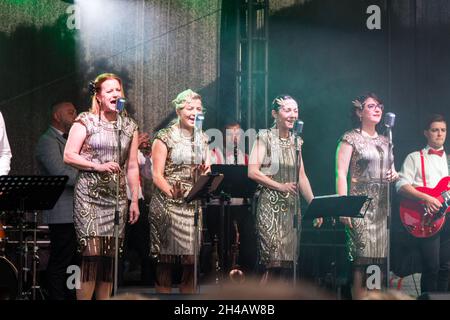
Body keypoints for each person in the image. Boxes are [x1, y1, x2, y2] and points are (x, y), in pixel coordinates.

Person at [64, 73, 140, 300]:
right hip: (89, 197)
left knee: (109, 261)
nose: (115, 94)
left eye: (118, 90)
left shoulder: (128, 126)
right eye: (109, 91)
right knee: (91, 257)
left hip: (116, 199)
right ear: (98, 96)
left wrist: (134, 199)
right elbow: (69, 155)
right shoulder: (85, 121)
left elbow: (133, 166)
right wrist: (97, 166)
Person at [248, 94, 322, 283]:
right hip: (269, 207)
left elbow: (301, 176)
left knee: (287, 265)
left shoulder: (296, 141)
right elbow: (253, 172)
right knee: (271, 261)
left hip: (290, 209)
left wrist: (314, 206)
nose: (292, 114)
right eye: (287, 110)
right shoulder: (264, 136)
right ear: (275, 114)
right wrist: (280, 186)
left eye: (295, 110)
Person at [336, 93, 398, 299]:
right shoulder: (350, 138)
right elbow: (340, 174)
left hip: (381, 210)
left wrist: (395, 174)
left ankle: (374, 298)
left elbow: (392, 170)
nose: (377, 109)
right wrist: (344, 206)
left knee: (377, 262)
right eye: (371, 106)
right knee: (361, 261)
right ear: (359, 112)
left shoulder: (385, 140)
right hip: (359, 208)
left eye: (379, 106)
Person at [150, 89, 210, 293]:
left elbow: (207, 170)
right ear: (178, 110)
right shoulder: (164, 136)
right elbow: (156, 174)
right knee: (166, 261)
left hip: (192, 205)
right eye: (189, 108)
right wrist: (171, 192)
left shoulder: (202, 138)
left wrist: (202, 175)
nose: (194, 112)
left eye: (199, 109)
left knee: (191, 261)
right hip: (168, 204)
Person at [396, 114, 449, 294]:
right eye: (435, 130)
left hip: (448, 218)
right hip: (427, 218)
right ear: (426, 133)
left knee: (446, 268)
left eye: (443, 130)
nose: (439, 134)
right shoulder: (414, 158)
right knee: (431, 268)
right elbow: (400, 185)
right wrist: (426, 198)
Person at [35, 101, 78, 300]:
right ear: (56, 116)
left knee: (74, 262)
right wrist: (91, 175)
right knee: (61, 261)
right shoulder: (47, 140)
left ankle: (72, 297)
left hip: (77, 212)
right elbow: (60, 173)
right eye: (70, 112)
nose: (75, 114)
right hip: (61, 213)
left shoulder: (72, 139)